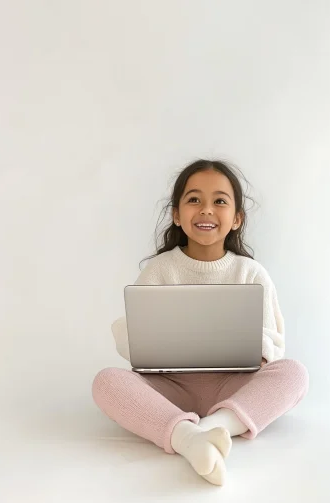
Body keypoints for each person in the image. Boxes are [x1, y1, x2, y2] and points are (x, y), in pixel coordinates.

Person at [92, 159, 309, 486]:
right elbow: (132, 338)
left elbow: (273, 342)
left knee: (295, 374)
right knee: (106, 381)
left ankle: (206, 430)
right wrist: (145, 342)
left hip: (234, 384)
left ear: (237, 219)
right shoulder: (160, 270)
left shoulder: (250, 273)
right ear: (177, 215)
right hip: (170, 388)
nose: (206, 210)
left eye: (219, 201)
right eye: (194, 200)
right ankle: (190, 438)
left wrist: (258, 352)